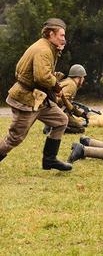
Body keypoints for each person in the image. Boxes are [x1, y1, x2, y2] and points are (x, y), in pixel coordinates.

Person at [0, 18, 72, 171]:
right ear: (50, 34)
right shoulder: (43, 50)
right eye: (61, 35)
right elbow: (42, 76)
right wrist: (56, 85)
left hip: (39, 99)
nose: (64, 39)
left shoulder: (48, 47)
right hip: (26, 100)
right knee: (15, 138)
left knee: (61, 121)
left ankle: (50, 160)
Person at [57, 64, 88, 134]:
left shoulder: (67, 81)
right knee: (80, 129)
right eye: (83, 78)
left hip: (54, 110)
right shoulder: (72, 85)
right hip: (59, 111)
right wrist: (75, 111)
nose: (83, 80)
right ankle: (56, 128)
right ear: (79, 77)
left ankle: (53, 125)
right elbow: (62, 100)